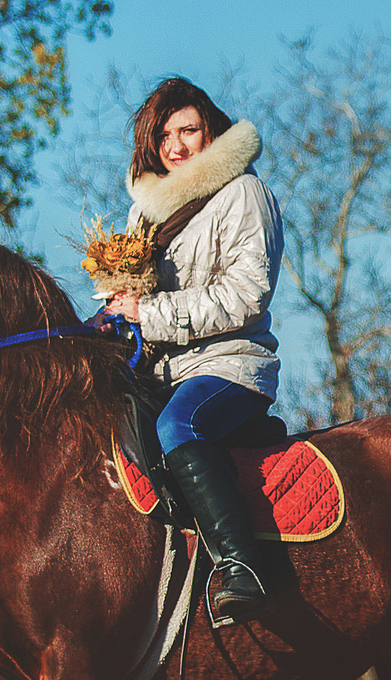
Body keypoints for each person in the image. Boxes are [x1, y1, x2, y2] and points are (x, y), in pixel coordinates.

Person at [101, 77, 290, 625]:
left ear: (212, 130)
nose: (176, 146)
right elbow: (138, 302)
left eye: (188, 130)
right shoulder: (145, 213)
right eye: (164, 136)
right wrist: (117, 313)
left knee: (177, 426)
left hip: (230, 366)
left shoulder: (243, 193)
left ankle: (242, 567)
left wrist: (150, 313)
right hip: (159, 371)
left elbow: (247, 295)